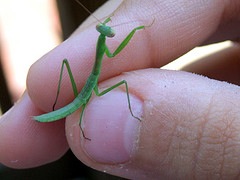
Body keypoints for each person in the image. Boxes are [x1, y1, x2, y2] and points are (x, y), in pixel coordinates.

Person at [1, 0, 240, 179]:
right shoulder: (101, 53)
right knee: (113, 86)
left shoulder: (99, 51)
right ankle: (68, 111)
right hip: (81, 96)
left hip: (85, 90)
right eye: (106, 32)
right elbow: (110, 60)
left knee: (82, 80)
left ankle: (57, 108)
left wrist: (136, 30)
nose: (108, 32)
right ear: (102, 36)